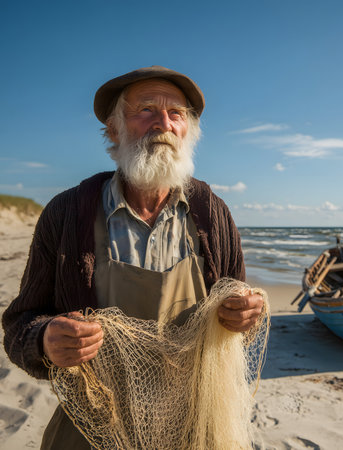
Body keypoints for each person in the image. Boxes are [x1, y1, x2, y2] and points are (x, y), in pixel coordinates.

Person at [2, 66, 264, 448]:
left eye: (176, 114)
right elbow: (18, 325)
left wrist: (246, 317)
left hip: (192, 425)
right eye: (146, 110)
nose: (163, 124)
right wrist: (44, 341)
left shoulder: (213, 213)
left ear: (188, 131)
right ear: (113, 130)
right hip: (91, 427)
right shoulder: (66, 213)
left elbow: (238, 314)